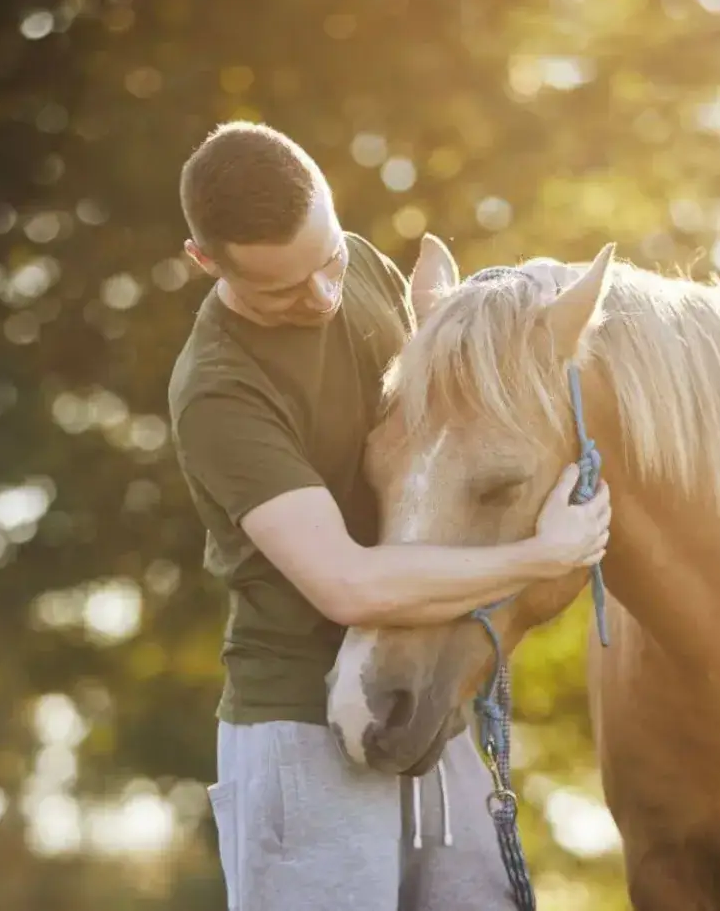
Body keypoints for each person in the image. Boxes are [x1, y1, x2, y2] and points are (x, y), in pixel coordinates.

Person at [167, 121, 612, 911]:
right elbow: (347, 585)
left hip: (424, 696)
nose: (325, 295)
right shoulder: (219, 391)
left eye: (328, 258)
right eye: (284, 289)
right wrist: (543, 556)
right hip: (302, 734)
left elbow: (448, 431)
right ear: (206, 262)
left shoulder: (362, 265)